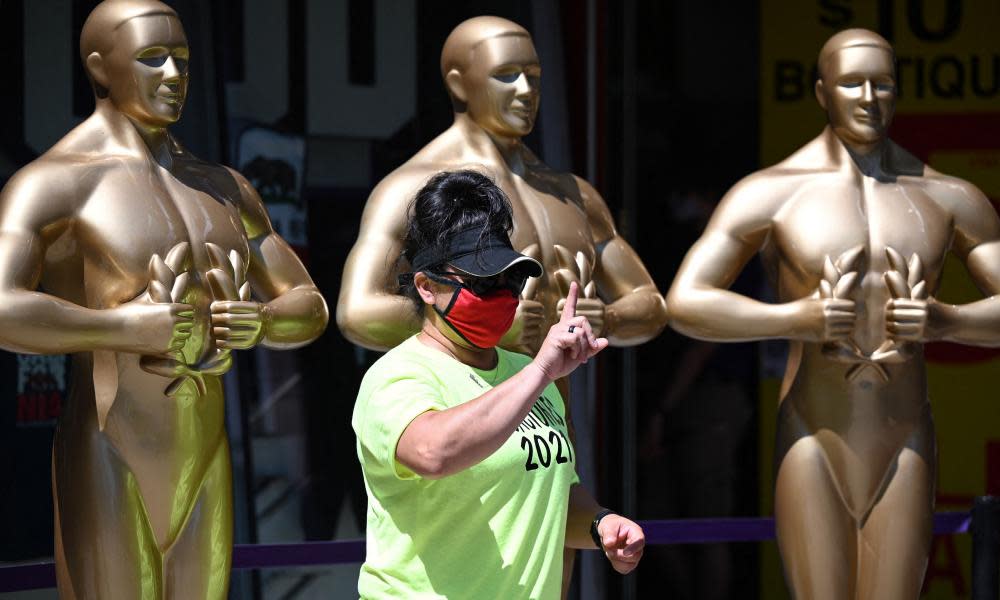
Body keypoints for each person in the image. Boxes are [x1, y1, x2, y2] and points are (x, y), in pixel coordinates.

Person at [0, 1, 328, 597]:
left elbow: (310, 304)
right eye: (153, 59)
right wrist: (122, 328)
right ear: (101, 69)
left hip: (205, 456)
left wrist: (262, 321)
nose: (175, 76)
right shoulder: (56, 183)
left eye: (182, 59)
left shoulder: (224, 187)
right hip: (108, 448)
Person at [666, 29, 1000, 599]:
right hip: (811, 436)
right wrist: (798, 318)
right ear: (822, 92)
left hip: (905, 435)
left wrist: (946, 320)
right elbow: (683, 303)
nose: (869, 97)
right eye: (852, 84)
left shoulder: (947, 196)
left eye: (883, 84)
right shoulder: (771, 193)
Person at [353, 170, 644, 599]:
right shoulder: (398, 375)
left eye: (511, 280)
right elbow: (434, 453)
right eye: (484, 283)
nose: (503, 296)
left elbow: (552, 498)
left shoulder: (525, 374)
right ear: (427, 287)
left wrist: (602, 525)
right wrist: (540, 371)